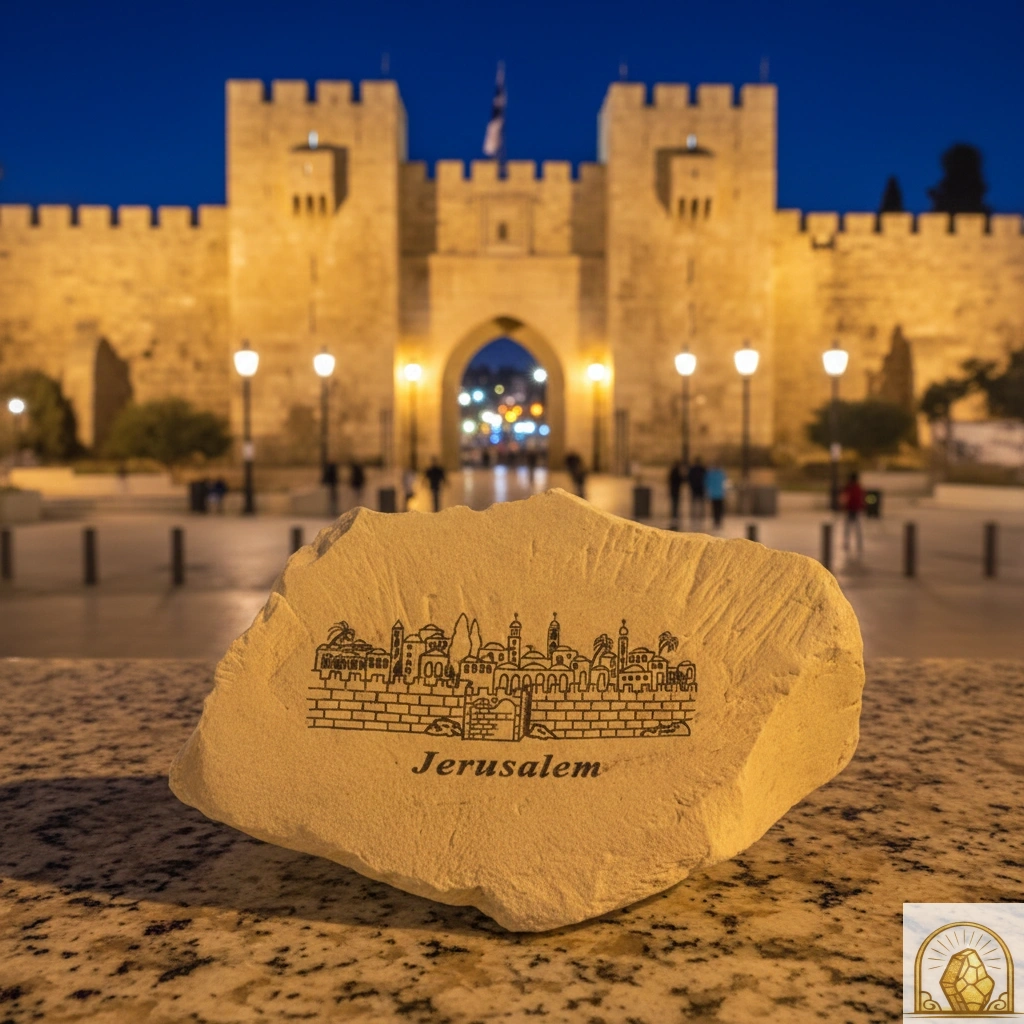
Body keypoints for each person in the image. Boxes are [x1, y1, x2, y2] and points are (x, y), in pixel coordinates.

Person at [840, 471, 866, 556]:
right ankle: (859, 545)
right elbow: (862, 499)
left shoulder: (848, 487)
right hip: (857, 510)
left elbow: (844, 497)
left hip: (850, 509)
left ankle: (847, 544)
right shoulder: (859, 488)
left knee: (848, 528)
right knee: (858, 529)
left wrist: (843, 506)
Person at [706, 463, 727, 529]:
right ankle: (719, 521)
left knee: (714, 509)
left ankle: (715, 521)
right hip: (720, 494)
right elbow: (724, 483)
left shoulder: (710, 474)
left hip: (713, 494)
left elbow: (707, 483)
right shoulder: (721, 474)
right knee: (720, 509)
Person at [687, 457, 707, 523]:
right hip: (701, 488)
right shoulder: (703, 469)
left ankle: (694, 515)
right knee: (701, 503)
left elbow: (689, 478)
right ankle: (701, 515)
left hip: (694, 488)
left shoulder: (692, 469)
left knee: (694, 503)